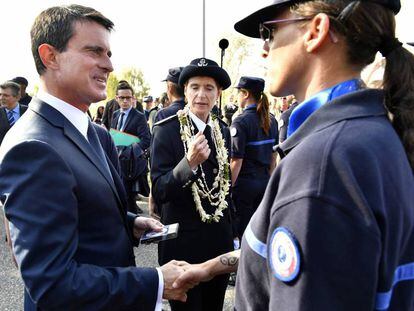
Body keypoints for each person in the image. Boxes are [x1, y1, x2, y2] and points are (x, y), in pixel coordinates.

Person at [174, 0, 414, 310]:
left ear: (316, 31)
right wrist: (207, 268)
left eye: (269, 32)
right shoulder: (370, 134)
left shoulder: (324, 164)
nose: (263, 48)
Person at [0, 5, 192, 310]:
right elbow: (52, 283)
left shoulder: (96, 133)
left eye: (109, 54)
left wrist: (131, 223)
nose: (109, 66)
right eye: (94, 51)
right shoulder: (33, 147)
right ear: (50, 56)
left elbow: (80, 211)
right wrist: (156, 282)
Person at [151, 57, 234, 311]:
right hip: (183, 247)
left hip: (217, 244)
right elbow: (160, 189)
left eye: (209, 88)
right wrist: (189, 163)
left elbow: (224, 188)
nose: (201, 94)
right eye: (195, 87)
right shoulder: (166, 130)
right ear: (185, 90)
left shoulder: (222, 130)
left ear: (218, 93)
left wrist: (234, 233)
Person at [230, 76, 278, 239]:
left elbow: (236, 160)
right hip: (264, 183)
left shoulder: (240, 122)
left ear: (245, 94)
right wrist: (269, 178)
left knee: (243, 233)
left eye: (239, 92)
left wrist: (228, 187)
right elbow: (273, 155)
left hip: (244, 186)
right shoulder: (271, 119)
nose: (237, 96)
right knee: (258, 232)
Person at [111, 81, 151, 213]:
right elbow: (114, 134)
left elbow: (146, 140)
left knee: (129, 200)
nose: (125, 101)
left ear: (133, 98)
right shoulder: (115, 114)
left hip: (130, 164)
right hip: (116, 161)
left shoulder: (139, 116)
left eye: (128, 98)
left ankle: (132, 228)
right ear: (117, 98)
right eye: (122, 98)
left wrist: (129, 150)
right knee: (118, 196)